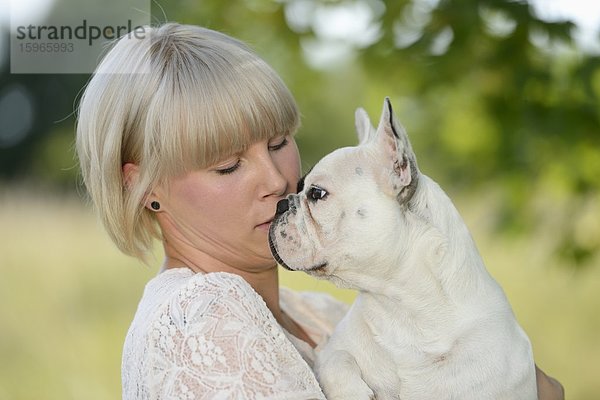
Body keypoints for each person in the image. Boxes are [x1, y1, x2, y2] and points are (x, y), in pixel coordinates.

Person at [76, 23, 564, 399]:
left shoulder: (314, 312)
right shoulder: (200, 320)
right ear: (143, 187)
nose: (278, 180)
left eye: (278, 142)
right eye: (227, 166)